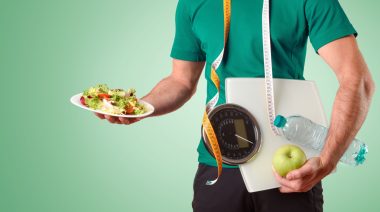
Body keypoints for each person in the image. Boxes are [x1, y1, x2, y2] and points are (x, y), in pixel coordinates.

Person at [95, 0, 376, 211]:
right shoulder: (194, 3)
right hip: (218, 165)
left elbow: (357, 80)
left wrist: (326, 162)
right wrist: (140, 106)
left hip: (288, 171)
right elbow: (181, 81)